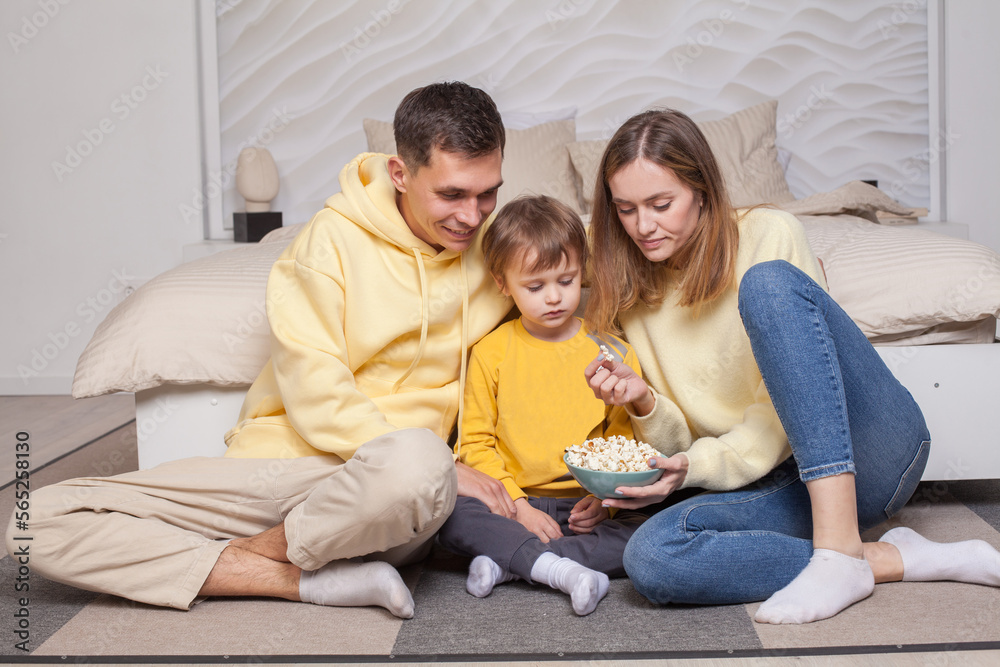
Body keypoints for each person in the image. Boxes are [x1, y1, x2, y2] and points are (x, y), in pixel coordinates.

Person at [7, 82, 517, 619]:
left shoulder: (502, 251)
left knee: (421, 460)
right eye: (452, 195)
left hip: (388, 497)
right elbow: (316, 391)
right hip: (273, 469)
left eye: (488, 193)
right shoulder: (328, 242)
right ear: (400, 174)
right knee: (30, 521)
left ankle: (229, 564)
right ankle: (294, 578)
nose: (472, 215)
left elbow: (574, 270)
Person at [581, 108, 1000, 624]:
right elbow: (684, 439)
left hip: (867, 449)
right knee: (651, 557)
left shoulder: (767, 234)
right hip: (770, 480)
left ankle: (840, 552)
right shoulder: (627, 289)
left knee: (769, 285)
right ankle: (889, 557)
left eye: (661, 204)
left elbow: (796, 395)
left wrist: (703, 464)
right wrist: (646, 403)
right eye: (625, 209)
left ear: (703, 191)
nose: (644, 226)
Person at [436, 195, 648, 616]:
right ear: (503, 283)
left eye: (566, 281)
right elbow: (475, 445)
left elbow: (623, 442)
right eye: (535, 287)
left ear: (581, 273)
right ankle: (558, 567)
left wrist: (604, 500)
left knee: (650, 531)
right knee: (449, 515)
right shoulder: (490, 352)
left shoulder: (614, 352)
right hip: (510, 504)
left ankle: (513, 562)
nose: (553, 297)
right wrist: (516, 506)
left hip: (584, 508)